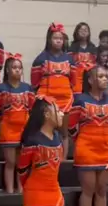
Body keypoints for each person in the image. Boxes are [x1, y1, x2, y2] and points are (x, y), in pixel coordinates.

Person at [18, 96, 76, 206]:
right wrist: (30, 189)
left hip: (53, 189)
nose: (62, 113)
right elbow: (22, 170)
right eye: (57, 110)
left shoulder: (57, 137)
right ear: (46, 114)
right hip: (36, 191)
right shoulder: (32, 140)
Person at [69, 65, 108, 206]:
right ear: (90, 80)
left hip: (105, 148)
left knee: (102, 190)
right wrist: (81, 139)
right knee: (88, 190)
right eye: (101, 76)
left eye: (106, 76)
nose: (105, 79)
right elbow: (70, 125)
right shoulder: (80, 100)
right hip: (86, 148)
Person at [31, 23, 76, 158]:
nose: (58, 41)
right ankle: (45, 157)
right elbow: (35, 83)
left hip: (65, 99)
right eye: (55, 38)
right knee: (45, 130)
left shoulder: (69, 59)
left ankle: (62, 161)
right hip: (47, 99)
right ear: (49, 39)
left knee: (64, 131)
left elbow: (73, 81)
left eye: (61, 38)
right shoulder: (40, 59)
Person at [0, 54, 35, 193]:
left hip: (24, 128)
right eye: (14, 67)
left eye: (19, 67)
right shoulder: (1, 88)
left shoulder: (27, 88)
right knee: (10, 162)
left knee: (21, 162)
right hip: (8, 128)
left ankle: (21, 189)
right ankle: (10, 190)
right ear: (7, 70)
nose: (17, 70)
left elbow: (32, 109)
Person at [69, 22, 97, 94]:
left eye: (86, 30)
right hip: (76, 79)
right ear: (77, 32)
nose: (83, 32)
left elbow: (95, 64)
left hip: (89, 78)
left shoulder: (92, 47)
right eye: (81, 30)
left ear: (89, 32)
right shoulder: (72, 47)